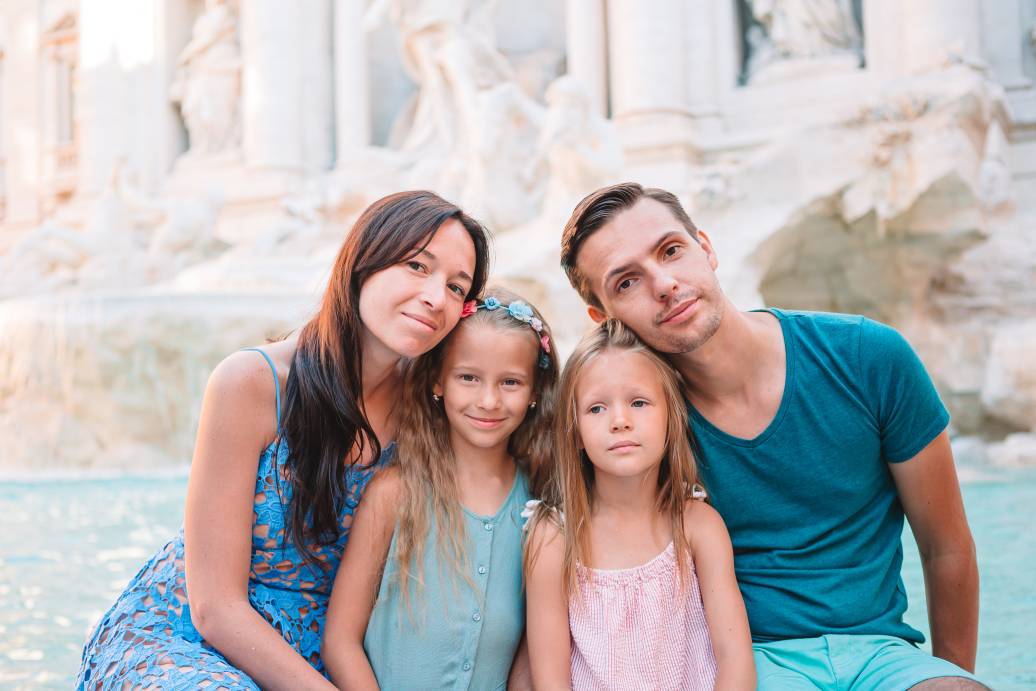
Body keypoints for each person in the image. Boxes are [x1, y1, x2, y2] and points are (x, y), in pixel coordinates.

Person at [557, 182, 985, 690]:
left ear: (706, 247)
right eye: (626, 282)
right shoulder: (635, 428)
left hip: (884, 655)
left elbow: (946, 547)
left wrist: (951, 675)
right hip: (750, 664)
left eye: (672, 251)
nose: (665, 283)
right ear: (605, 319)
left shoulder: (870, 358)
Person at [74, 191, 491, 690]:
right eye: (417, 266)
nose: (435, 296)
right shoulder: (251, 382)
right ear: (363, 262)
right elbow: (215, 607)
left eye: (455, 287)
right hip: (189, 639)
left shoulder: (434, 408)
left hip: (329, 648)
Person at [322, 287, 558, 689]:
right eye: (468, 377)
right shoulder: (396, 494)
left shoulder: (539, 508)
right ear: (437, 382)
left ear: (536, 392)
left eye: (511, 382)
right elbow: (340, 642)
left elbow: (529, 652)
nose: (488, 400)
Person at [524, 319, 755, 690]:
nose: (619, 421)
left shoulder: (697, 525)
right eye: (596, 409)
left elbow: (735, 660)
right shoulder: (554, 537)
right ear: (576, 431)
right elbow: (550, 680)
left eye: (639, 402)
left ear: (670, 417)